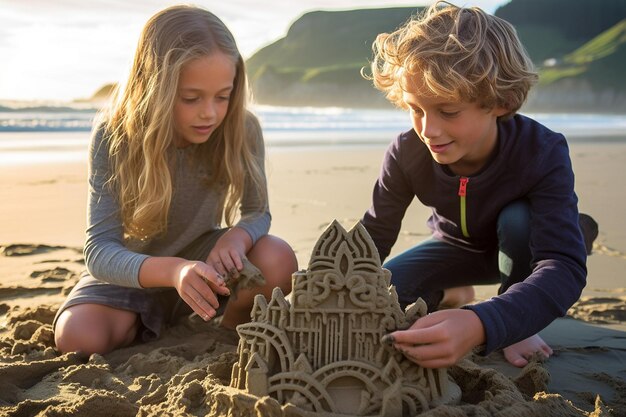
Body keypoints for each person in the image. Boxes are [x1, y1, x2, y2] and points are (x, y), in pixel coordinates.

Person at [54, 5, 297, 355]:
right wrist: (173, 272)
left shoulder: (242, 129)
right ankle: (143, 316)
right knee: (78, 338)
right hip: (134, 272)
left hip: (206, 267)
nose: (210, 112)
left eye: (223, 96)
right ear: (155, 87)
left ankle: (225, 328)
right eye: (191, 98)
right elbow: (99, 251)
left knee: (277, 258)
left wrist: (237, 237)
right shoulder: (115, 134)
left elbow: (257, 211)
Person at [363, 1, 593, 368]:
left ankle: (520, 318)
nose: (428, 130)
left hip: (529, 247)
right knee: (385, 293)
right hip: (454, 246)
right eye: (416, 108)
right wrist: (332, 285)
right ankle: (454, 291)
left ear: (500, 101)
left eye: (448, 111)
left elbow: (563, 265)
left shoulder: (542, 150)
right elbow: (373, 235)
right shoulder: (407, 150)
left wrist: (489, 323)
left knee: (518, 220)